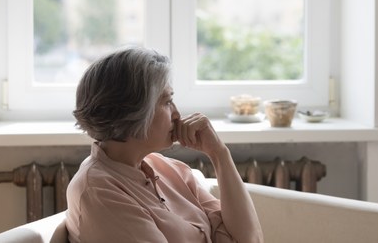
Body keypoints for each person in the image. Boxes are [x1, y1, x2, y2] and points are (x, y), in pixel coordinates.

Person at [66, 47, 264, 243]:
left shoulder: (170, 170)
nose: (177, 114)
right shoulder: (100, 192)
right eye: (167, 102)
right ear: (132, 111)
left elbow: (249, 239)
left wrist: (219, 154)